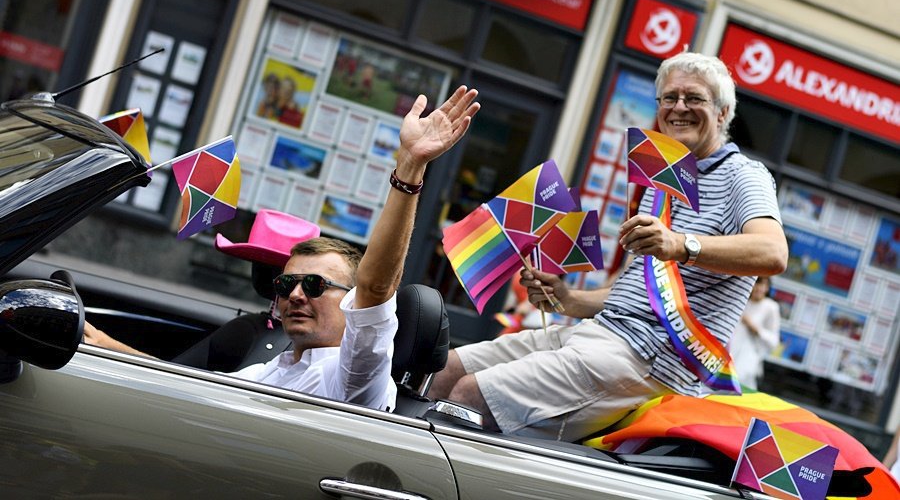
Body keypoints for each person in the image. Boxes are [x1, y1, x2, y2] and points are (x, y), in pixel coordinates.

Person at [430, 52, 788, 442]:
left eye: (694, 98)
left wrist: (680, 243)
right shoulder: (666, 181)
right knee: (443, 370)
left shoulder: (745, 176)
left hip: (652, 359)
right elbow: (643, 295)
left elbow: (773, 253)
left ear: (722, 113)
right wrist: (568, 299)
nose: (678, 107)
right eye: (669, 98)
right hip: (602, 334)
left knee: (470, 394)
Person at [85, 85, 480, 411]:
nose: (294, 294)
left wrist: (409, 167)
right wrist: (103, 344)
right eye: (285, 284)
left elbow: (377, 287)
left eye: (313, 285)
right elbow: (192, 390)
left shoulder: (356, 374)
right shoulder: (279, 366)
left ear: (352, 303)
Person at [729, 276, 780, 389]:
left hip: (748, 361)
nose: (759, 288)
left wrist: (756, 330)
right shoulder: (741, 300)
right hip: (728, 356)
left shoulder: (771, 307)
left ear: (767, 288)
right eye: (757, 283)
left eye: (764, 285)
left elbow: (774, 341)